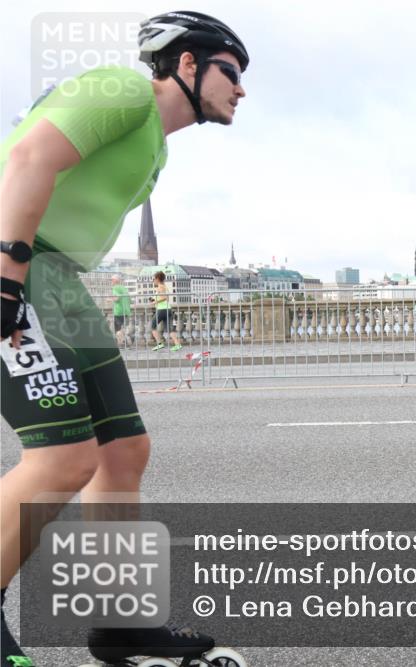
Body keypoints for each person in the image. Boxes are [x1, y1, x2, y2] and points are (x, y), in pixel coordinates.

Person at [0, 11, 248, 666]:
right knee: (62, 458)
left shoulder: (156, 148)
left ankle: (120, 622)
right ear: (186, 65)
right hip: (19, 263)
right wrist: (6, 274)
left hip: (59, 280)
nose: (241, 89)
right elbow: (27, 156)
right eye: (230, 70)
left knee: (123, 450)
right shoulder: (122, 89)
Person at [149, 270, 182, 351]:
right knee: (169, 329)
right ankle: (177, 345)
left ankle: (160, 344)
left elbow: (165, 298)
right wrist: (153, 299)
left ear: (157, 278)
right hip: (168, 309)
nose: (153, 281)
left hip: (162, 309)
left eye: (154, 279)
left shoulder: (160, 287)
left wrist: (155, 302)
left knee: (152, 326)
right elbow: (163, 297)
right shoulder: (164, 286)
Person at [109, 275, 131, 347]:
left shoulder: (115, 287)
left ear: (116, 280)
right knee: (122, 329)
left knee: (117, 329)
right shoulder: (124, 288)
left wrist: (109, 300)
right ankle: (124, 343)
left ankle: (122, 344)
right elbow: (129, 300)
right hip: (126, 311)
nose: (111, 281)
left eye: (112, 280)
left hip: (119, 311)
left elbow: (117, 298)